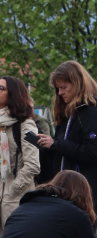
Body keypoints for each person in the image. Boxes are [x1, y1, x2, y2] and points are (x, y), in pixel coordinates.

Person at [0, 75, 40, 238]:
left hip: (16, 197)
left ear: (13, 94)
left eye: (1, 88)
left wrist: (15, 189)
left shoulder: (26, 124)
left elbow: (33, 164)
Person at [37, 60, 97, 210]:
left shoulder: (90, 112)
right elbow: (62, 153)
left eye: (64, 87)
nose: (60, 93)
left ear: (77, 84)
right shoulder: (66, 113)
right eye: (58, 88)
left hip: (84, 193)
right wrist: (45, 147)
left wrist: (56, 144)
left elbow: (92, 151)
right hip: (65, 191)